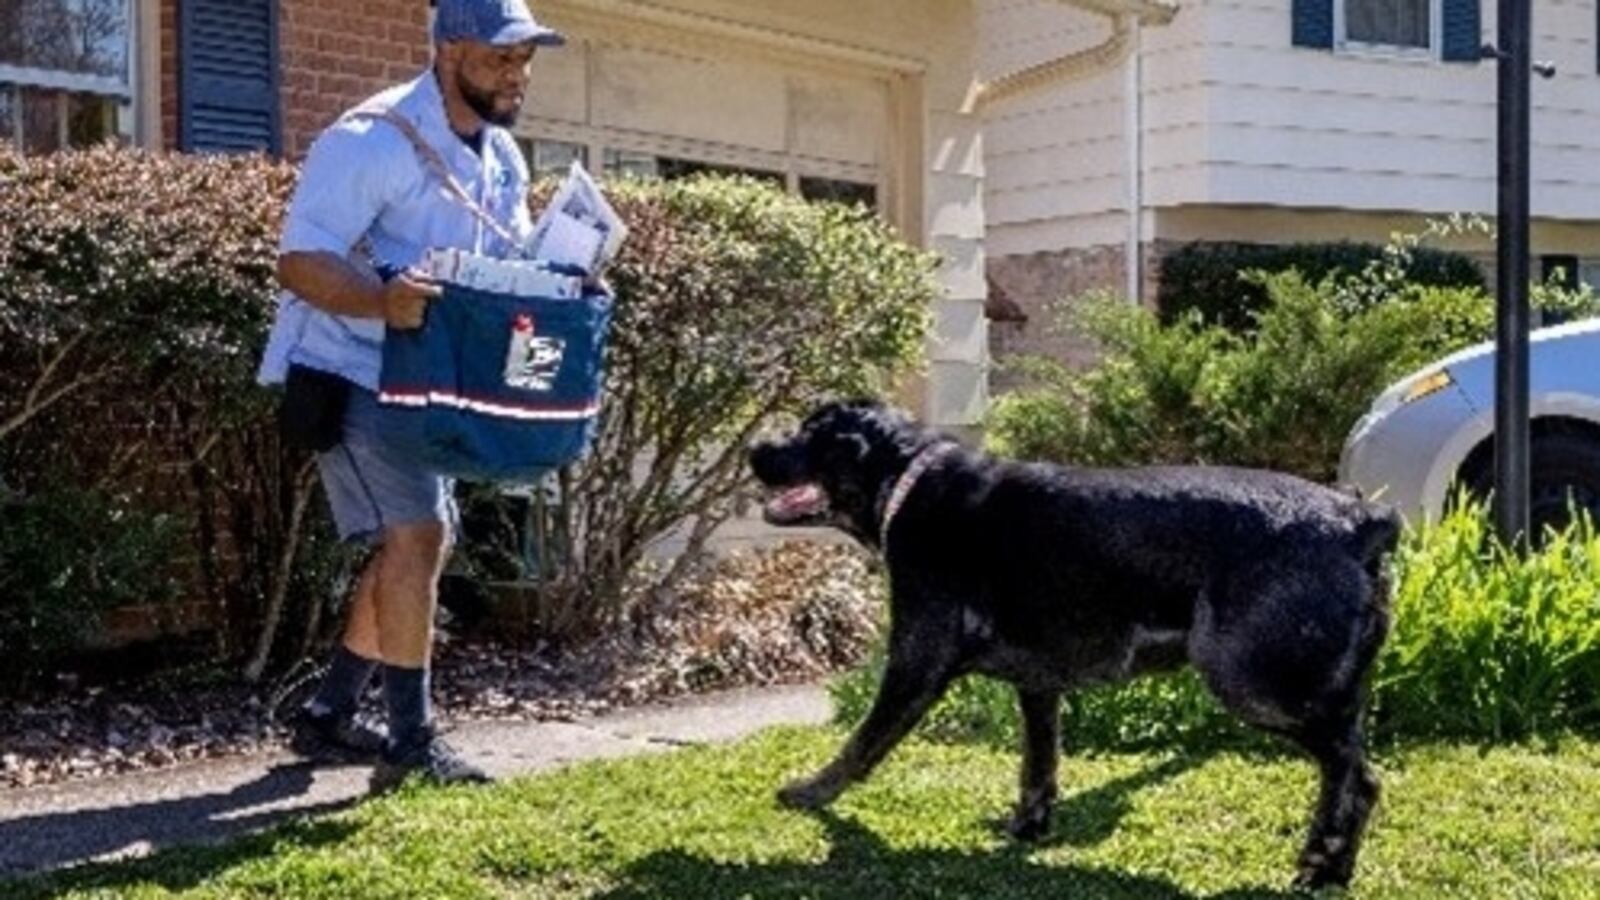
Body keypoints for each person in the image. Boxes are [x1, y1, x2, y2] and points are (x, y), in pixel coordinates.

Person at [258, 0, 565, 790]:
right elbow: (301, 261)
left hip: (428, 383)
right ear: (450, 47)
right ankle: (411, 741)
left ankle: (328, 715)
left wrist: (569, 269)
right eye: (503, 57)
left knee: (422, 540)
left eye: (526, 59)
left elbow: (507, 265)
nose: (517, 75)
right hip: (351, 367)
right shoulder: (371, 140)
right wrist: (382, 300)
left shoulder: (502, 159)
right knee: (419, 536)